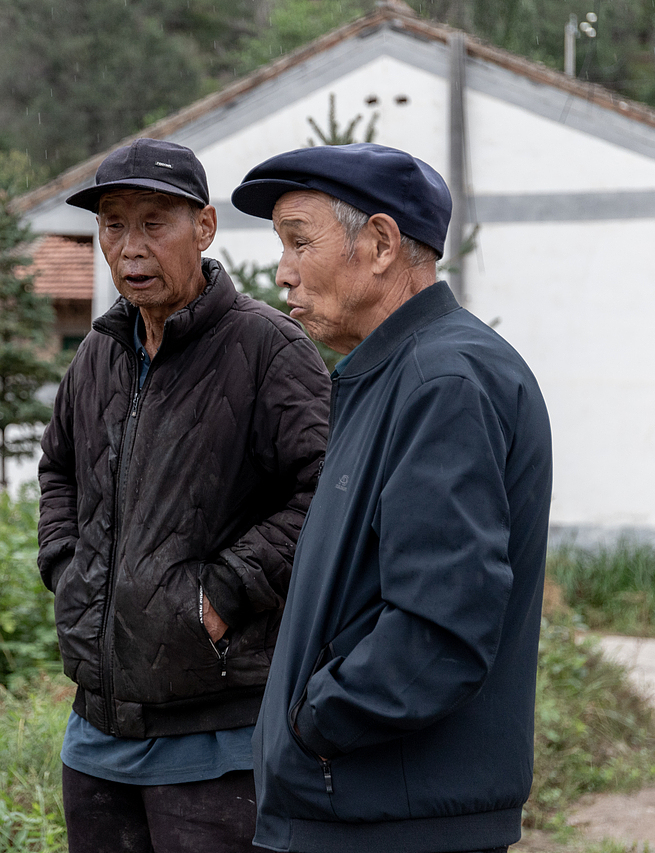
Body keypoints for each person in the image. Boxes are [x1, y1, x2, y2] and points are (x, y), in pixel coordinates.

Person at [231, 142, 553, 853]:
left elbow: (440, 628)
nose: (281, 271)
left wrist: (311, 723)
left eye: (298, 241)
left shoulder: (444, 381)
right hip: (371, 807)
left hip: (391, 821)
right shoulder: (389, 375)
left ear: (379, 243)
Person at [37, 138, 331, 853]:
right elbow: (59, 470)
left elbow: (326, 491)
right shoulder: (98, 353)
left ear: (204, 227)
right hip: (96, 732)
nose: (130, 247)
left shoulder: (269, 348)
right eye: (113, 224)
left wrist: (224, 591)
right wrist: (67, 567)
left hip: (216, 739)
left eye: (153, 223)